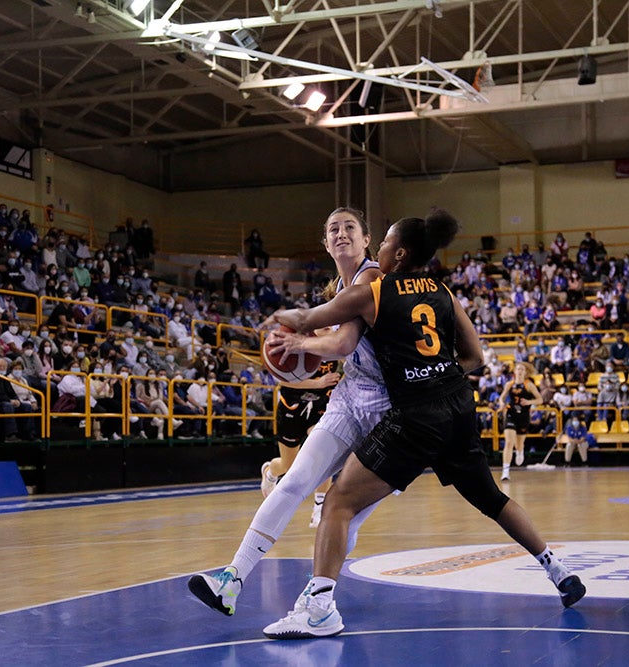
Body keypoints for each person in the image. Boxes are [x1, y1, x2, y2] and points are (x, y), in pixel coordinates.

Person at [261, 209, 585, 639]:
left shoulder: (374, 291)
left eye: (384, 243)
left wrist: (286, 332)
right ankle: (558, 571)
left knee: (337, 503)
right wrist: (437, 371)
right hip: (456, 403)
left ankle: (318, 607)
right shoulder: (443, 292)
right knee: (490, 497)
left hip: (414, 417)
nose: (377, 251)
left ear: (398, 254)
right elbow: (476, 359)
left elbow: (310, 321)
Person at [187, 207, 392, 619]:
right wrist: (311, 336)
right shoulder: (339, 285)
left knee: (341, 511)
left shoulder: (371, 277)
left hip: (389, 413)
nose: (341, 233)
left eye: (349, 227)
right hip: (351, 399)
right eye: (332, 228)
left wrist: (303, 343)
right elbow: (339, 341)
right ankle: (231, 579)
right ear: (325, 242)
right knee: (293, 480)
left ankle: (320, 602)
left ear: (366, 239)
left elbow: (343, 345)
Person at [261, 360, 342, 527]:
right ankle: (270, 471)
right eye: (323, 329)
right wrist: (317, 383)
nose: (328, 330)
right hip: (292, 406)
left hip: (321, 405)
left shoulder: (336, 340)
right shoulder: (299, 341)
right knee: (290, 467)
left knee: (324, 450)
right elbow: (281, 379)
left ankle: (320, 506)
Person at [497, 363, 543, 481]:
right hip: (511, 413)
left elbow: (540, 400)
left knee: (519, 443)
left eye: (522, 369)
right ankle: (505, 471)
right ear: (515, 372)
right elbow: (502, 397)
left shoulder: (529, 385)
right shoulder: (509, 384)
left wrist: (529, 402)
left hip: (523, 416)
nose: (520, 371)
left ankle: (520, 451)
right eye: (518, 369)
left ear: (525, 372)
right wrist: (502, 403)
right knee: (508, 442)